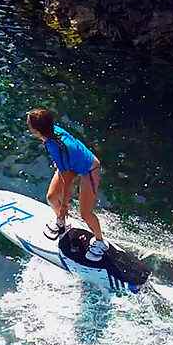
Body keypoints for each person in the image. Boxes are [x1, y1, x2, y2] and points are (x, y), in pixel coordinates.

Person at [26, 108, 108, 261]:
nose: (28, 126)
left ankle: (100, 242)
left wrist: (64, 205)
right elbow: (65, 168)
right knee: (51, 197)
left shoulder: (54, 146)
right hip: (70, 164)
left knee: (85, 213)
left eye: (29, 125)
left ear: (37, 130)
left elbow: (67, 181)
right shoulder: (51, 133)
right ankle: (62, 223)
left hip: (89, 169)